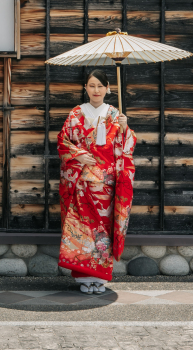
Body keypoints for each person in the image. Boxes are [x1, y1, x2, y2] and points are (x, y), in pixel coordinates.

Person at [56, 69, 137, 294]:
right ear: (86, 88)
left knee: (103, 230)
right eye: (91, 85)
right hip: (81, 182)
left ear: (108, 88)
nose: (96, 90)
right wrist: (78, 156)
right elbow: (63, 142)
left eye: (100, 86)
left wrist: (124, 128)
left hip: (106, 185)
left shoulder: (114, 114)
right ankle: (83, 277)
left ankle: (100, 278)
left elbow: (126, 147)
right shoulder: (75, 114)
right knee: (82, 229)